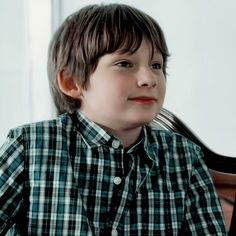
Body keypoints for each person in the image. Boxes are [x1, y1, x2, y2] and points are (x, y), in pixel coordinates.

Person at [0, 3, 227, 235]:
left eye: (156, 65)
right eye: (124, 64)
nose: (149, 78)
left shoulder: (185, 158)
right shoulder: (28, 147)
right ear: (71, 83)